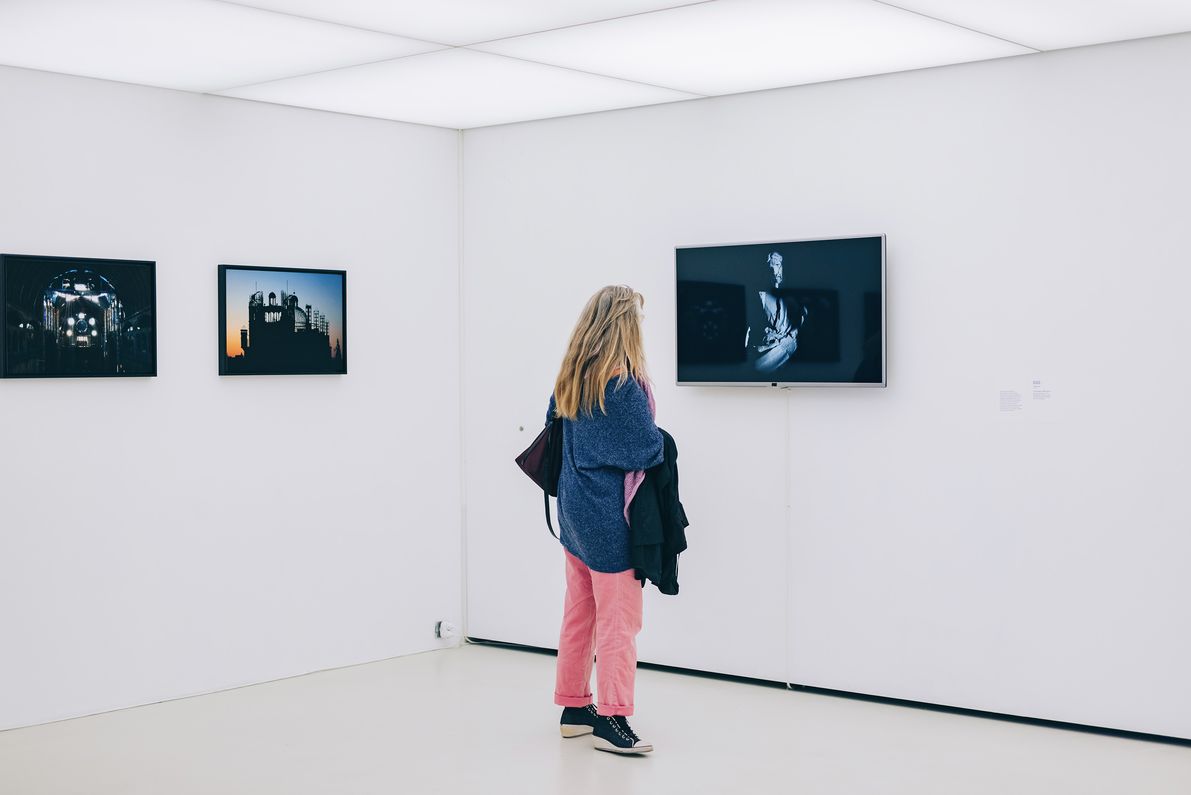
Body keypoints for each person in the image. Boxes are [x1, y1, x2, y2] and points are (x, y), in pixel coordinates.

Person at [546, 285, 663, 755]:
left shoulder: (571, 377)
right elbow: (647, 447)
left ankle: (574, 707)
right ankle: (613, 718)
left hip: (573, 513)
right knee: (620, 621)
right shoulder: (620, 386)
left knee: (580, 612)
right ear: (625, 326)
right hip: (608, 518)